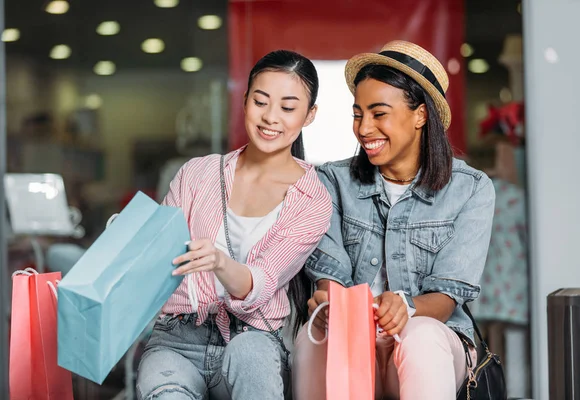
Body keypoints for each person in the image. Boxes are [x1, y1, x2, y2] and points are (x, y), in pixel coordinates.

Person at [293, 40, 495, 400]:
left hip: (433, 342)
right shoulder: (331, 182)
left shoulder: (471, 190)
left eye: (379, 113)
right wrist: (326, 306)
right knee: (316, 341)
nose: (364, 128)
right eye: (358, 114)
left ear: (420, 115)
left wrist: (405, 306)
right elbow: (329, 277)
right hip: (353, 341)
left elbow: (448, 296)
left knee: (420, 337)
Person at [136, 50, 332, 400]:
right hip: (179, 338)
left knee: (252, 358)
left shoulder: (312, 199)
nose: (271, 117)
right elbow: (156, 260)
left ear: (309, 115)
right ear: (244, 101)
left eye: (288, 108)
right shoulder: (196, 174)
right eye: (261, 102)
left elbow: (262, 282)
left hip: (254, 338)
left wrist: (220, 262)